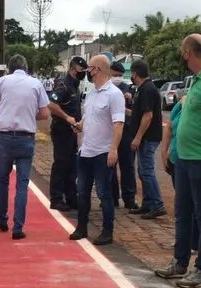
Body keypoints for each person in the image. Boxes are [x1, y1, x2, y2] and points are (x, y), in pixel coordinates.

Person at [154, 34, 201, 288]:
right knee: (183, 213)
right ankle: (180, 262)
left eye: (181, 52)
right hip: (185, 159)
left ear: (188, 52)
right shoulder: (198, 79)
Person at [0, 54, 50, 240]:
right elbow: (45, 113)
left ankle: (2, 218)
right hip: (26, 138)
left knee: (3, 181)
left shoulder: (3, 81)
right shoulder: (36, 84)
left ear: (9, 68)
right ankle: (18, 227)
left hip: (6, 138)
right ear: (26, 67)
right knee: (22, 184)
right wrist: (29, 116)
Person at [68, 55, 125, 246]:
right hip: (86, 151)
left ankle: (107, 232)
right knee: (82, 191)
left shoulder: (114, 95)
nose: (87, 72)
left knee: (104, 193)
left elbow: (118, 124)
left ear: (98, 69)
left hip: (103, 152)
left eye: (89, 68)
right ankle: (81, 227)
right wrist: (80, 125)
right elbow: (88, 116)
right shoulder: (92, 93)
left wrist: (113, 149)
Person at [47, 56, 87, 212]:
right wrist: (67, 118)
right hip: (61, 130)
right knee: (61, 164)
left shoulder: (76, 86)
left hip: (72, 132)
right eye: (80, 71)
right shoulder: (64, 85)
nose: (82, 74)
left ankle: (71, 197)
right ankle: (56, 198)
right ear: (72, 69)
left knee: (72, 166)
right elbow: (51, 104)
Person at [127, 60, 166, 219]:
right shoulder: (142, 89)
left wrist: (137, 137)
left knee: (147, 171)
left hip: (148, 137)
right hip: (145, 137)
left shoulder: (147, 89)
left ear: (135, 74)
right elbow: (138, 113)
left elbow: (148, 115)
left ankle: (157, 204)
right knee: (142, 172)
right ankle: (148, 203)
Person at [161, 92, 199, 252]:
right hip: (177, 158)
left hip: (194, 159)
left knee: (194, 202)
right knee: (182, 202)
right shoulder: (180, 104)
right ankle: (183, 239)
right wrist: (164, 152)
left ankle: (194, 242)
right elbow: (169, 126)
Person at [110, 60, 139, 211]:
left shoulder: (128, 89)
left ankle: (129, 199)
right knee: (110, 166)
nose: (118, 78)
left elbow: (136, 113)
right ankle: (112, 197)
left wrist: (129, 100)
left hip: (126, 131)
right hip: (110, 132)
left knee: (127, 165)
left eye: (120, 75)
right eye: (115, 75)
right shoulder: (105, 88)